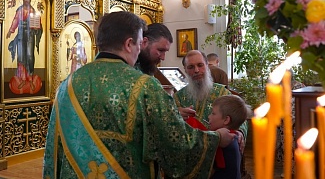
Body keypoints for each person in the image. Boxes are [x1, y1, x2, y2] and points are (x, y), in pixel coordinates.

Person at [43, 12, 236, 179]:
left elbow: (53, 149)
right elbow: (176, 144)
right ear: (129, 44)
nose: (139, 50)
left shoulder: (66, 84)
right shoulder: (143, 85)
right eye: (139, 43)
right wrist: (216, 138)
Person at [174, 50, 248, 153]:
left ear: (207, 66)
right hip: (190, 151)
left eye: (200, 65)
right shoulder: (178, 97)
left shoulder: (222, 92)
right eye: (191, 67)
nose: (196, 70)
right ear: (185, 70)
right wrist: (177, 115)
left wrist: (240, 132)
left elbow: (240, 116)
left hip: (219, 149)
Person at [208, 95, 252, 179]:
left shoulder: (224, 142)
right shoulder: (234, 137)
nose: (209, 116)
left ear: (226, 120)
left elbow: (209, 171)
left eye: (213, 113)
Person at [6, 0, 43, 91]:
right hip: (21, 35)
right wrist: (10, 31)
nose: (26, 0)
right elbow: (15, 20)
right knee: (21, 56)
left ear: (30, 0)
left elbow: (37, 24)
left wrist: (36, 29)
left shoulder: (33, 11)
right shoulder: (20, 10)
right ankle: (22, 79)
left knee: (30, 56)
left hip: (30, 35)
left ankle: (30, 78)